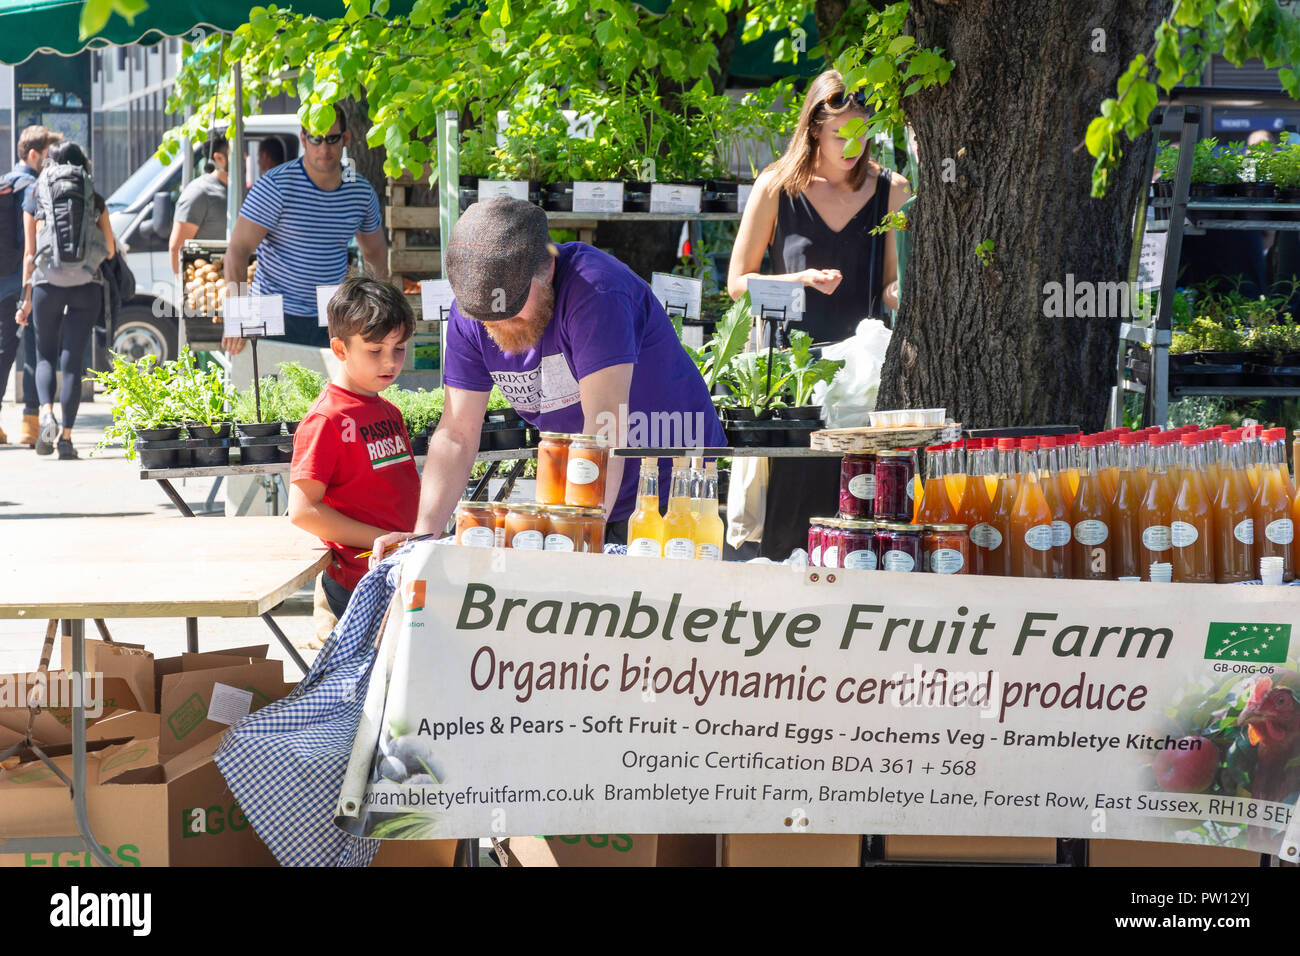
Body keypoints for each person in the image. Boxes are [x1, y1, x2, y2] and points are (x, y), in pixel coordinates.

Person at [368, 197, 726, 560]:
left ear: (548, 268)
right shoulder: (474, 315)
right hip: (589, 487)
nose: (499, 323)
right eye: (487, 316)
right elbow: (457, 432)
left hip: (670, 482)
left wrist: (584, 539)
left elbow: (605, 425)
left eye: (513, 311)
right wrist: (423, 536)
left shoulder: (597, 291)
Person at [727, 70, 910, 559]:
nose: (851, 145)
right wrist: (798, 282)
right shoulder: (775, 186)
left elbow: (893, 283)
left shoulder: (892, 190)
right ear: (812, 130)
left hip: (862, 376)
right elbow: (736, 284)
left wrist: (908, 293)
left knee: (857, 501)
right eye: (838, 134)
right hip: (793, 374)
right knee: (792, 504)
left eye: (860, 132)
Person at [288, 276, 419, 644]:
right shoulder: (325, 420)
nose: (390, 362)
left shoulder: (389, 411)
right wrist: (384, 540)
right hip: (358, 584)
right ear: (340, 349)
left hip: (398, 571)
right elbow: (302, 511)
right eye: (375, 350)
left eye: (400, 348)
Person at [222, 106, 387, 351]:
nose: (324, 148)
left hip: (332, 316)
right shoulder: (274, 186)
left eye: (332, 139)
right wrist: (236, 317)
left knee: (325, 389)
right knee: (269, 387)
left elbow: (376, 254)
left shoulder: (360, 192)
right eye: (316, 138)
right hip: (272, 314)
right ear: (303, 139)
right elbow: (237, 250)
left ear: (346, 138)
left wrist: (378, 312)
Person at [15, 140, 115, 459]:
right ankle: (68, 440)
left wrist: (25, 299)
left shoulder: (35, 195)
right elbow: (110, 249)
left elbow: (30, 254)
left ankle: (46, 414)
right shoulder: (94, 197)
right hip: (87, 283)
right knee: (73, 361)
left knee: (45, 355)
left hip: (47, 283)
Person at [0, 125, 61, 445]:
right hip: (24, 283)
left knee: (4, 350)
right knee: (35, 351)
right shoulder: (30, 187)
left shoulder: (6, 182)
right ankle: (30, 424)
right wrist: (28, 292)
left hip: (2, 279)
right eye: (47, 155)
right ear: (34, 154)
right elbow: (31, 247)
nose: (50, 163)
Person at [168, 135, 229, 276]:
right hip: (207, 289)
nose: (245, 157)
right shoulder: (199, 192)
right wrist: (186, 291)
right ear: (219, 158)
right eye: (237, 153)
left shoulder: (239, 191)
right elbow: (176, 247)